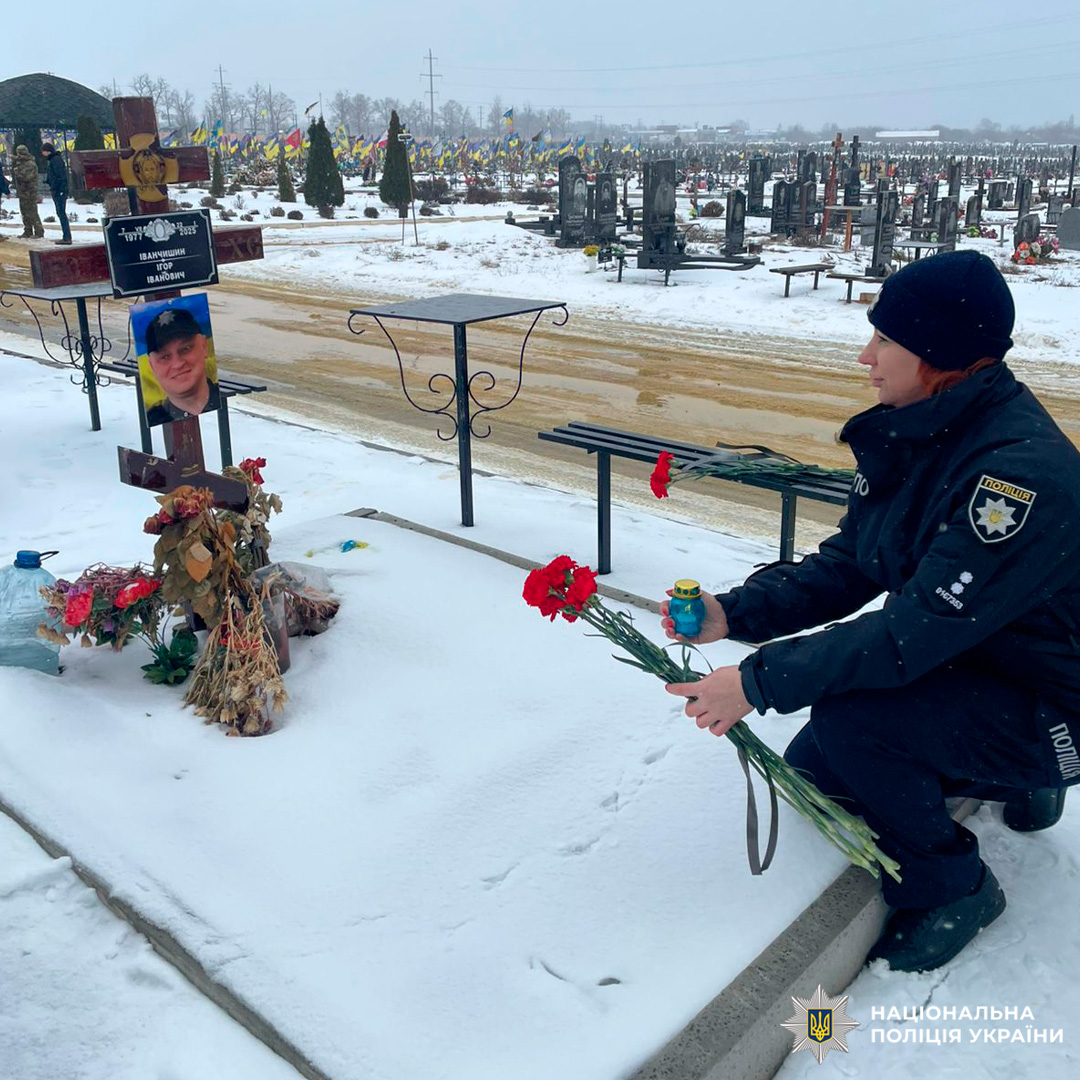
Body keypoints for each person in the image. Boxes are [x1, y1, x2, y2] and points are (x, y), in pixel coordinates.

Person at [661, 250, 1080, 974]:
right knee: (819, 768)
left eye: (885, 340)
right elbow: (856, 562)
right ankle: (1015, 777)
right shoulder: (923, 428)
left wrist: (757, 683)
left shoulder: (1016, 479)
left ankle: (955, 889)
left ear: (939, 354)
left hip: (1060, 702)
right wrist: (736, 612)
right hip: (993, 656)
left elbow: (907, 635)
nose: (866, 357)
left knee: (856, 728)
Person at [142, 308, 220, 425]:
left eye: (186, 349)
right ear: (152, 367)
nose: (178, 364)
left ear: (204, 347)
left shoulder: (231, 405)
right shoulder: (153, 419)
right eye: (165, 357)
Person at [40, 143, 71, 245]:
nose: (42, 153)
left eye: (43, 151)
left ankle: (67, 237)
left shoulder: (55, 160)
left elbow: (60, 176)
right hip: (57, 189)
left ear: (47, 151)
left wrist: (58, 187)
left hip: (59, 190)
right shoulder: (53, 160)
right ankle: (66, 236)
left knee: (61, 213)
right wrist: (49, 181)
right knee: (60, 212)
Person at [13, 145, 43, 239]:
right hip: (23, 191)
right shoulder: (21, 163)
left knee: (32, 212)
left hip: (29, 191)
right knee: (24, 212)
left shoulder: (30, 164)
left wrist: (17, 172)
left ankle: (39, 231)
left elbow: (26, 177)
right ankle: (28, 230)